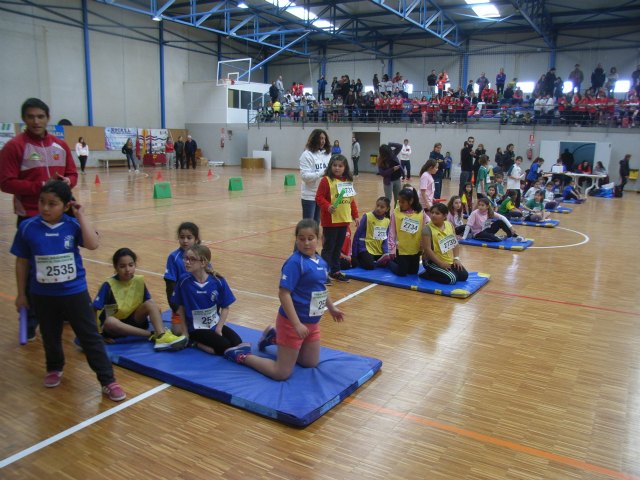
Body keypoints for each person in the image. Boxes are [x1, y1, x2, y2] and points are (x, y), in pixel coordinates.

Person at [10, 180, 126, 401]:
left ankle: (108, 380)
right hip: (42, 295)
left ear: (65, 206)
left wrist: (80, 215)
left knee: (90, 336)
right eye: (42, 202)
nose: (45, 208)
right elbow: (22, 262)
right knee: (50, 334)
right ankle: (54, 367)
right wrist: (21, 294)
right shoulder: (28, 227)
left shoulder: (72, 225)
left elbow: (92, 244)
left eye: (52, 204)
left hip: (74, 293)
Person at [223, 219, 345, 381]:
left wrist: (332, 308)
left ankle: (274, 337)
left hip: (312, 324)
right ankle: (242, 356)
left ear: (320, 239)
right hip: (292, 324)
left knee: (310, 363)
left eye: (311, 238)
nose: (306, 243)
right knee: (281, 373)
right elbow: (284, 294)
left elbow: (321, 288)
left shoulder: (321, 262)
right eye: (301, 239)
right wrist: (296, 324)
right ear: (296, 240)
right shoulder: (295, 263)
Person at [1, 97, 78, 341]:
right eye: (31, 116)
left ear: (47, 118)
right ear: (24, 118)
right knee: (33, 271)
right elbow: (5, 182)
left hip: (62, 217)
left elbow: (72, 174)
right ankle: (32, 320)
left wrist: (67, 183)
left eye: (40, 116)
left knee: (65, 263)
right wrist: (40, 187)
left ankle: (65, 310)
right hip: (31, 217)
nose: (36, 121)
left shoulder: (60, 145)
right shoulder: (15, 146)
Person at [93, 248, 187, 350]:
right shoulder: (108, 285)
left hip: (134, 321)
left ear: (135, 265)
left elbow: (149, 305)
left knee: (151, 304)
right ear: (115, 267)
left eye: (131, 265)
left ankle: (161, 336)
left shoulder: (138, 281)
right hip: (115, 329)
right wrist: (98, 335)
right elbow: (94, 310)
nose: (127, 269)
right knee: (110, 321)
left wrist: (156, 316)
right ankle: (153, 334)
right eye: (122, 266)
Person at [172, 244, 245, 355]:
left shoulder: (218, 281)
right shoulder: (183, 282)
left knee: (237, 342)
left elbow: (225, 307)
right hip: (196, 328)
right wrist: (185, 332)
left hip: (214, 324)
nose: (187, 262)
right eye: (186, 258)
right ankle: (194, 342)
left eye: (192, 259)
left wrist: (219, 329)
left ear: (203, 263)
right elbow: (180, 308)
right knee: (223, 347)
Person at [315, 154, 360, 283]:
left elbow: (351, 201)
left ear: (345, 168)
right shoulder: (326, 180)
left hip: (344, 220)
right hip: (330, 221)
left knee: (337, 248)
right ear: (330, 166)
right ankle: (322, 273)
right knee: (329, 248)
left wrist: (355, 215)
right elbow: (319, 198)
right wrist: (327, 206)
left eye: (340, 166)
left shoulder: (347, 182)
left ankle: (335, 271)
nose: (337, 168)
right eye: (334, 165)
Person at [164, 222, 201, 333]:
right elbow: (170, 287)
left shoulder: (202, 255)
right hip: (181, 304)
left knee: (204, 330)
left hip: (198, 303)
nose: (185, 241)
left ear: (196, 239)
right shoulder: (173, 257)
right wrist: (176, 310)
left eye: (189, 237)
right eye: (182, 237)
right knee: (178, 332)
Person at [420, 203, 468, 285]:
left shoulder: (449, 225)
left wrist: (456, 258)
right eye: (432, 213)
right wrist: (440, 264)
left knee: (464, 276)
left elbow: (454, 243)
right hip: (431, 262)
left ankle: (441, 271)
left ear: (445, 216)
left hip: (447, 259)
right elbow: (427, 250)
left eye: (437, 213)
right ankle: (427, 274)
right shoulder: (427, 229)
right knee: (452, 279)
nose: (433, 215)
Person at [387, 187, 429, 277]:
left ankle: (398, 261)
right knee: (401, 273)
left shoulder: (420, 212)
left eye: (403, 202)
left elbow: (427, 225)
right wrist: (391, 249)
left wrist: (424, 244)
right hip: (402, 249)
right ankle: (389, 262)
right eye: (399, 201)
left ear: (411, 201)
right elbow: (391, 232)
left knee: (413, 272)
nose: (400, 204)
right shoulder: (396, 213)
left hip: (415, 248)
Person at [300, 129, 331, 223]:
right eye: (321, 138)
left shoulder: (327, 154)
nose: (323, 141)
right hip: (309, 195)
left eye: (324, 139)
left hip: (322, 195)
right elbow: (304, 176)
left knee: (317, 222)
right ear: (314, 139)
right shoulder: (306, 155)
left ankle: (315, 238)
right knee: (308, 224)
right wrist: (321, 173)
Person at [352, 196, 391, 270]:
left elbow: (385, 239)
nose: (378, 208)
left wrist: (386, 253)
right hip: (365, 248)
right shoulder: (367, 216)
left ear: (387, 209)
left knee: (388, 262)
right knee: (369, 266)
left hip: (378, 249)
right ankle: (362, 259)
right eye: (377, 205)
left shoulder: (387, 221)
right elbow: (357, 235)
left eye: (382, 207)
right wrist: (354, 255)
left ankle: (375, 261)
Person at [377, 142, 403, 207]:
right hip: (388, 182)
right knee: (388, 199)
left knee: (398, 199)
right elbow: (382, 173)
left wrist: (390, 144)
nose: (389, 154)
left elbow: (400, 146)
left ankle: (396, 214)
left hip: (397, 179)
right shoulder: (380, 160)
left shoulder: (392, 153)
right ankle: (387, 215)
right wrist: (392, 169)